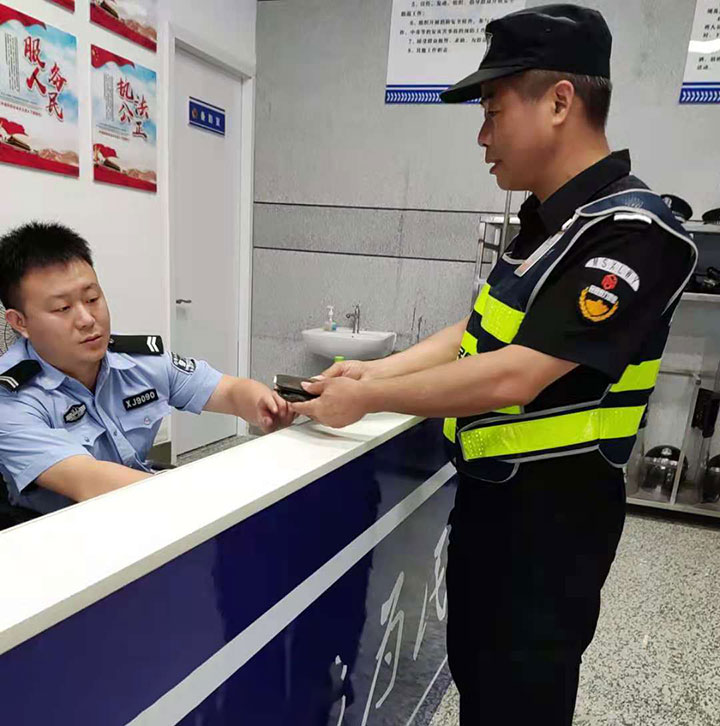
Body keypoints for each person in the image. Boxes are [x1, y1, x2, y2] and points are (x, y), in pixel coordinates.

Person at [290, 5, 697, 724]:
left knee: (521, 700)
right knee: (480, 682)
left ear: (560, 102)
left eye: (492, 111)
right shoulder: (545, 223)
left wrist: (373, 399)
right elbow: (475, 332)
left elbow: (518, 374)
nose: (482, 137)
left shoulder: (633, 233)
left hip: (554, 527)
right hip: (492, 506)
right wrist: (375, 373)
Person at [0, 222, 294, 516]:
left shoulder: (137, 360)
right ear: (19, 322)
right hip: (58, 529)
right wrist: (200, 495)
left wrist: (260, 402)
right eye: (63, 308)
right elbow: (88, 480)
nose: (87, 319)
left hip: (144, 503)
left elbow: (227, 390)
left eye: (92, 299)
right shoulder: (9, 399)